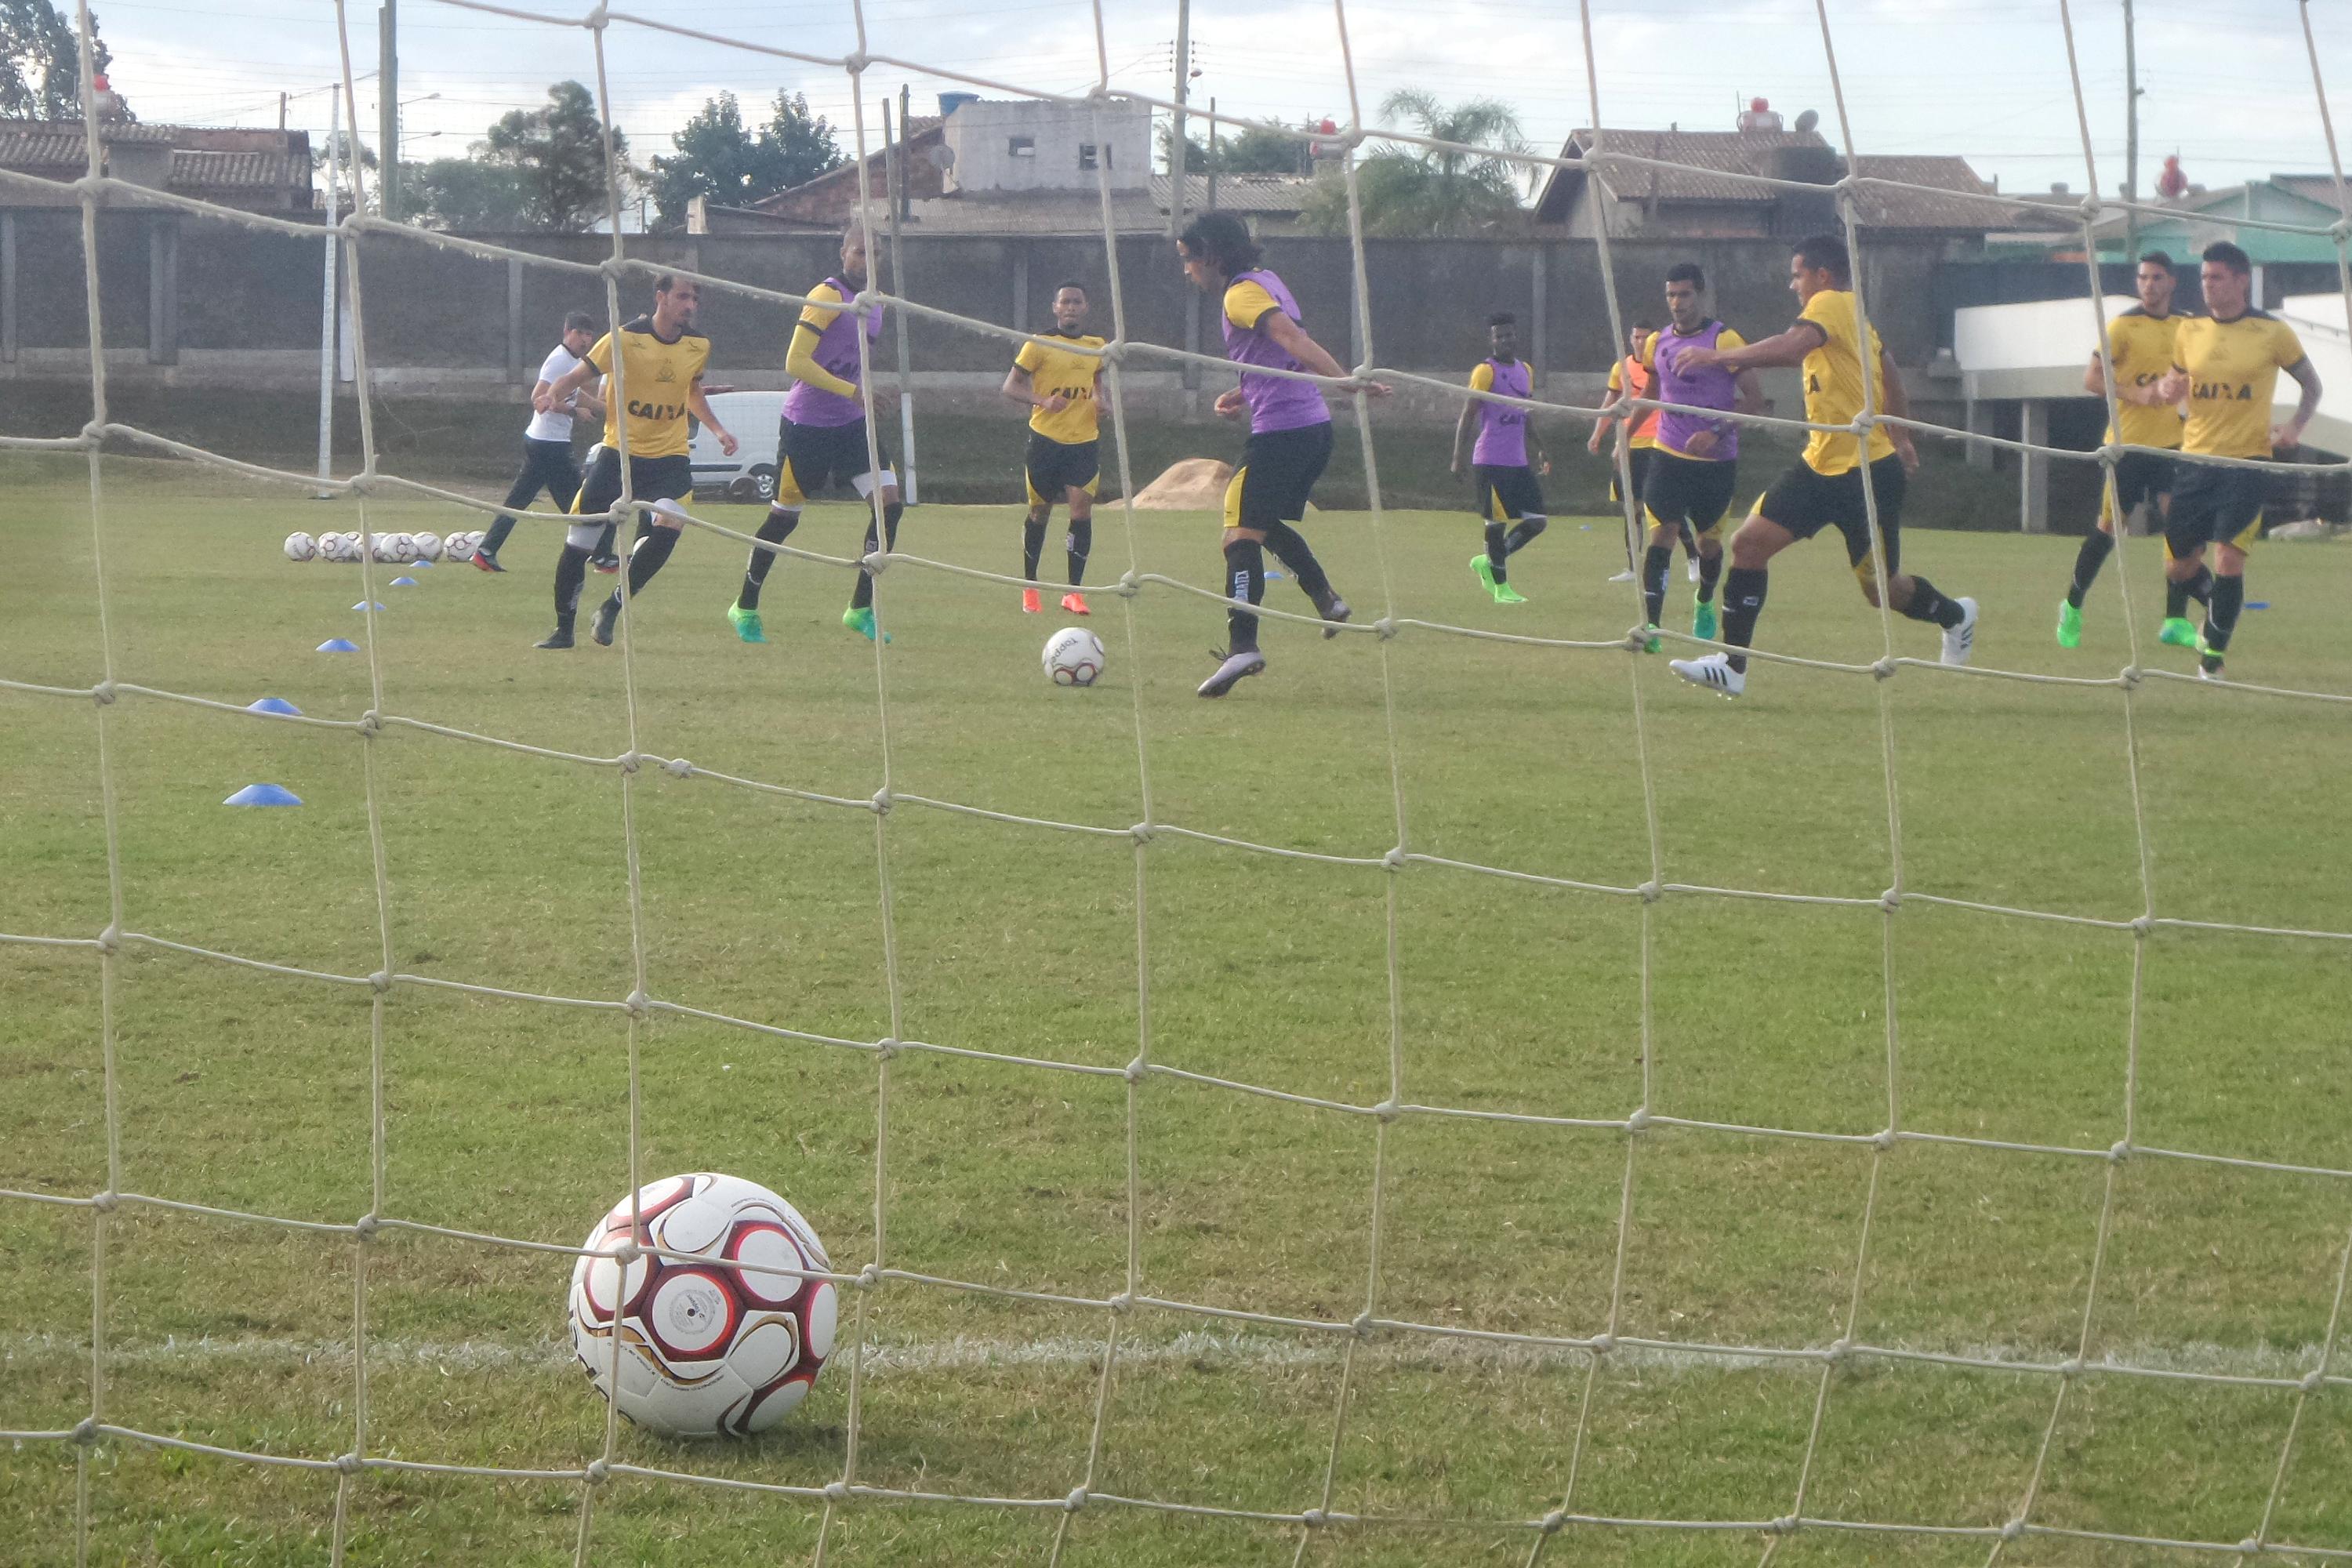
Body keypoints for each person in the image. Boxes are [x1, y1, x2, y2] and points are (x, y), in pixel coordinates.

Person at [1664, 234, 1977, 699]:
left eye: (1797, 275)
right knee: (1747, 545)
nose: (1793, 285)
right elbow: (1886, 367)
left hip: (1867, 474)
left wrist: (1717, 355)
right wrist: (1904, 434)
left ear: (1822, 276)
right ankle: (1732, 666)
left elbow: (1792, 348)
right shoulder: (1854, 318)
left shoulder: (1831, 303)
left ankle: (1956, 616)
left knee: (1882, 591)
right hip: (1819, 466)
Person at [1176, 212, 1384, 699]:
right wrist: (1244, 391)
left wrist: (1345, 383)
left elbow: (1294, 341)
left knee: (1237, 538)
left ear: (1210, 255)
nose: (1187, 271)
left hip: (1282, 435)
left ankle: (1243, 645)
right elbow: (1277, 358)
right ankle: (1325, 599)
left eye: (1188, 260)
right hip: (1310, 431)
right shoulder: (1267, 281)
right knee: (1262, 526)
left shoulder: (1240, 293)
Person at [530, 276, 737, 650]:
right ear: (661, 298)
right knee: (579, 544)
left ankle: (612, 608)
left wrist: (718, 429)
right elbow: (578, 376)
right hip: (619, 455)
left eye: (695, 299)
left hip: (670, 457)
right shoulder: (623, 339)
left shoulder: (698, 345)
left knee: (670, 525)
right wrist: (550, 395)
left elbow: (690, 389)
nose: (690, 305)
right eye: (682, 297)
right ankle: (563, 630)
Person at [2151, 241, 2321, 680]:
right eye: (2204, 277)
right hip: (2194, 462)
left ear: (2241, 281)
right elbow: (2176, 378)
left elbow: (2311, 386)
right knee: (2177, 566)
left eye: (2217, 277)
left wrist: (2294, 428)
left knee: (2230, 558)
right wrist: (2169, 388)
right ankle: (2219, 607)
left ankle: (2213, 659)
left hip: (2246, 464)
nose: (2207, 285)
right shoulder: (2189, 331)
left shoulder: (2272, 332)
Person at [728, 222, 905, 645]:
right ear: (843, 253)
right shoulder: (826, 297)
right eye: (858, 252)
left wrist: (865, 396)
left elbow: (850, 359)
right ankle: (745, 605)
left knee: (890, 505)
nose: (865, 261)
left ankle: (860, 608)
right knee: (783, 520)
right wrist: (852, 391)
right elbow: (796, 362)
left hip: (852, 426)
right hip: (806, 426)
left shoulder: (875, 304)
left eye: (873, 254)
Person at [2057, 252, 2191, 648]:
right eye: (2143, 277)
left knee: (2178, 528)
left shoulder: (2187, 327)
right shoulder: (2123, 326)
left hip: (2170, 446)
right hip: (2127, 446)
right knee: (2110, 527)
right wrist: (2137, 393)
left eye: (2156, 278)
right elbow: (2091, 379)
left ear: (2172, 282)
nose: (2148, 284)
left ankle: (2175, 619)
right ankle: (2073, 604)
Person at [1638, 263, 1764, 652]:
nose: (1677, 303)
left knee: (1709, 547)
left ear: (1701, 295)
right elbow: (1651, 393)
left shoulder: (1724, 340)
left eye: (1685, 294)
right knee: (1663, 535)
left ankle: (1704, 600)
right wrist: (1618, 436)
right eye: (1671, 295)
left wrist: (1715, 433)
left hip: (1716, 464)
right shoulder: (1656, 342)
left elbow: (1755, 402)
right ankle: (1652, 627)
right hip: (1667, 455)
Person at [1002, 281, 1104, 616]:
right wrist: (1042, 400)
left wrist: (1102, 401)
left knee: (1081, 513)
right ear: (1056, 308)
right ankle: (1030, 586)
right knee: (1039, 513)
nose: (1072, 307)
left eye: (1077, 302)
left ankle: (1073, 592)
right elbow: (1010, 387)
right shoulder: (1039, 344)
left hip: (1084, 442)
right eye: (1066, 302)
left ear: (1085, 308)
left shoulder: (1096, 346)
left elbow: (1098, 381)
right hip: (1046, 441)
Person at [476, 311, 602, 574]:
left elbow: (575, 396)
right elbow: (539, 399)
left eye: (589, 335)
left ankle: (485, 551)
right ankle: (602, 555)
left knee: (520, 500)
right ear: (567, 332)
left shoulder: (573, 362)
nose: (585, 340)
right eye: (580, 333)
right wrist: (571, 412)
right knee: (582, 500)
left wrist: (607, 408)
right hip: (549, 444)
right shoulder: (559, 361)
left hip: (542, 441)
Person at [1451, 312, 1549, 604]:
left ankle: (1490, 561)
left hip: (1517, 461)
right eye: (1499, 336)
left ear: (1516, 336)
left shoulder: (1525, 370)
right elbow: (1468, 414)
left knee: (1537, 521)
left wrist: (1541, 447)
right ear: (1492, 340)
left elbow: (1525, 414)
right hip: (1490, 460)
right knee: (1496, 523)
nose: (1505, 340)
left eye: (1509, 334)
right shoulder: (1485, 372)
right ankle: (1501, 588)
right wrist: (1457, 456)